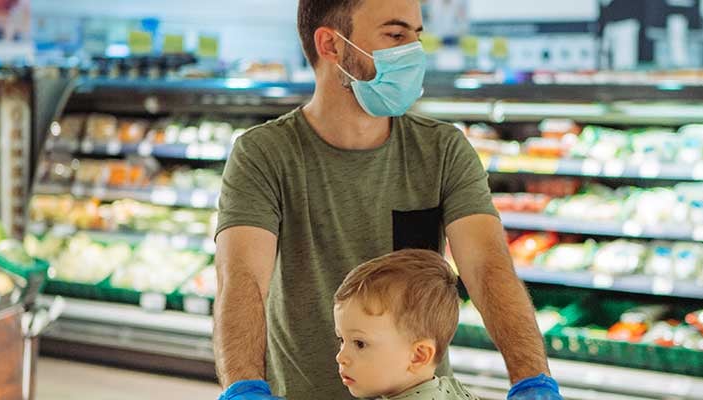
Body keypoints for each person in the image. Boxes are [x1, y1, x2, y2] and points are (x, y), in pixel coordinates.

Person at [212, 0, 563, 399]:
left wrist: (531, 378)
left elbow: (486, 267)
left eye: (417, 36)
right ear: (331, 45)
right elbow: (242, 278)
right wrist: (243, 386)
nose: (413, 53)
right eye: (396, 36)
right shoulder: (265, 154)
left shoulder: (442, 150)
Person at [332, 249, 478, 400]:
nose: (341, 357)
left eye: (359, 343)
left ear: (418, 356)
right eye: (342, 340)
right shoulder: (456, 391)